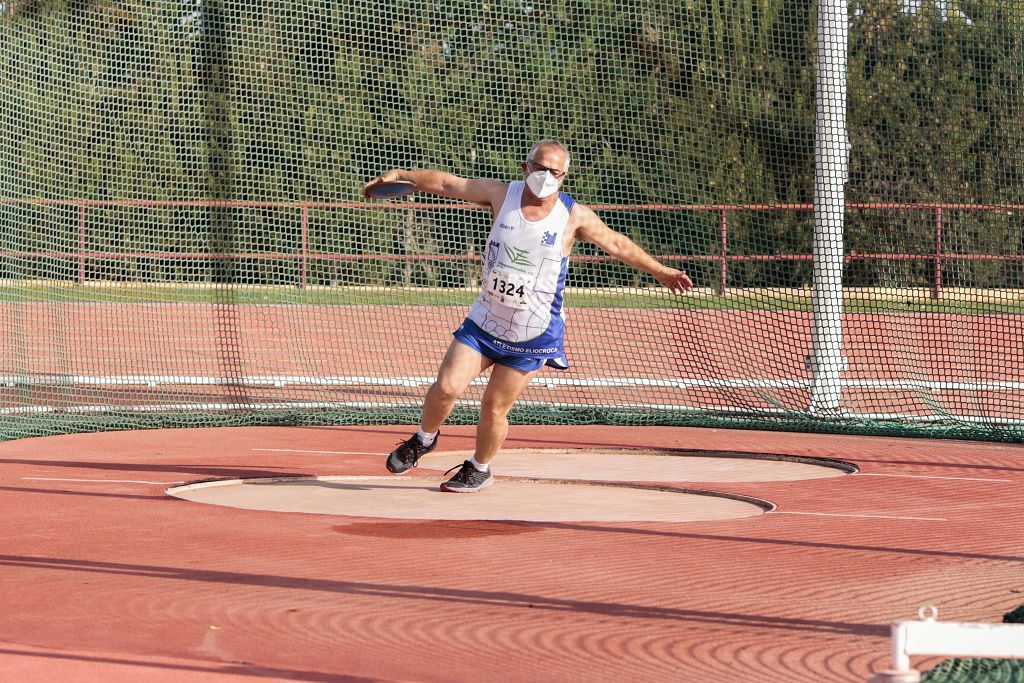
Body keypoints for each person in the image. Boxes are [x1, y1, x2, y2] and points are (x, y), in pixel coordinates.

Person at [362, 140, 693, 492]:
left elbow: (617, 243)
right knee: (445, 388)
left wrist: (661, 271)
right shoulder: (501, 194)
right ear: (526, 167)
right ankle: (424, 439)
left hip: (531, 333)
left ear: (564, 177)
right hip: (485, 321)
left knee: (493, 408)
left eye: (555, 172)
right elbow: (446, 184)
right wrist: (402, 175)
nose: (546, 177)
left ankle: (479, 468)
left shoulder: (573, 216)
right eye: (540, 168)